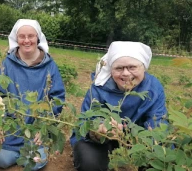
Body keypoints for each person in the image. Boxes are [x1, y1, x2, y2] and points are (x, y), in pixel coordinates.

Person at [70, 41, 168, 171]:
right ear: (111, 70)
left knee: (158, 160)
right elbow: (85, 121)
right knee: (89, 161)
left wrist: (145, 140)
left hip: (138, 141)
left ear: (143, 67)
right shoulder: (99, 88)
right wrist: (96, 131)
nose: (126, 73)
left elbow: (159, 122)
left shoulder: (153, 88)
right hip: (103, 142)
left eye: (132, 67)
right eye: (119, 68)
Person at [0, 19, 65, 170]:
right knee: (2, 159)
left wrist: (45, 127)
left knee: (36, 162)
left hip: (37, 128)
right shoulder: (7, 64)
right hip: (11, 128)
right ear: (16, 39)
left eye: (31, 36)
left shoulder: (50, 66)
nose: (26, 40)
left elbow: (57, 99)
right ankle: (19, 154)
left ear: (38, 38)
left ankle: (29, 153)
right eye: (22, 36)